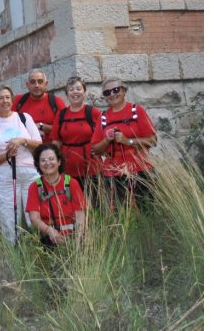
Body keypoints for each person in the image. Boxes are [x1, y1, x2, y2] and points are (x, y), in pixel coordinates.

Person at [0, 86, 42, 244]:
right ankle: (12, 251)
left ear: (12, 99)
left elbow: (39, 144)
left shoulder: (24, 118)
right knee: (8, 215)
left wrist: (22, 141)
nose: (5, 101)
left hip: (29, 172)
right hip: (5, 175)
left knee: (34, 213)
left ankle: (38, 248)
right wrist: (6, 155)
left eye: (7, 97)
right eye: (1, 98)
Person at [90, 77, 158, 210]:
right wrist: (107, 140)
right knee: (120, 214)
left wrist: (128, 141)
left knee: (148, 209)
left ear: (124, 90)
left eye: (116, 90)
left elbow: (153, 140)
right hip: (114, 172)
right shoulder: (103, 118)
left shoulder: (136, 111)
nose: (112, 94)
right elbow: (95, 149)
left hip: (141, 168)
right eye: (107, 92)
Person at [26, 144, 86, 246]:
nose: (47, 163)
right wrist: (50, 231)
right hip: (47, 237)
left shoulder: (72, 183)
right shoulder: (35, 187)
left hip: (72, 237)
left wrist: (78, 239)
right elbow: (34, 218)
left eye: (51, 159)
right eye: (43, 160)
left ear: (59, 162)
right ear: (38, 164)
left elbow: (80, 214)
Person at [50, 77, 102, 195]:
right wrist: (54, 165)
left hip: (92, 167)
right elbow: (56, 142)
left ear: (84, 92)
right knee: (71, 203)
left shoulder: (93, 112)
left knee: (95, 204)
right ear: (67, 94)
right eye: (71, 89)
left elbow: (104, 137)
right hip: (68, 167)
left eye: (79, 88)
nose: (75, 92)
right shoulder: (61, 114)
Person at [13, 69, 66, 141]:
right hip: (25, 150)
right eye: (33, 82)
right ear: (27, 85)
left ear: (46, 84)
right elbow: (9, 125)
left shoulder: (57, 101)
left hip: (51, 149)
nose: (37, 85)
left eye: (40, 82)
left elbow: (65, 128)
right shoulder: (18, 101)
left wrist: (41, 126)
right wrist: (32, 130)